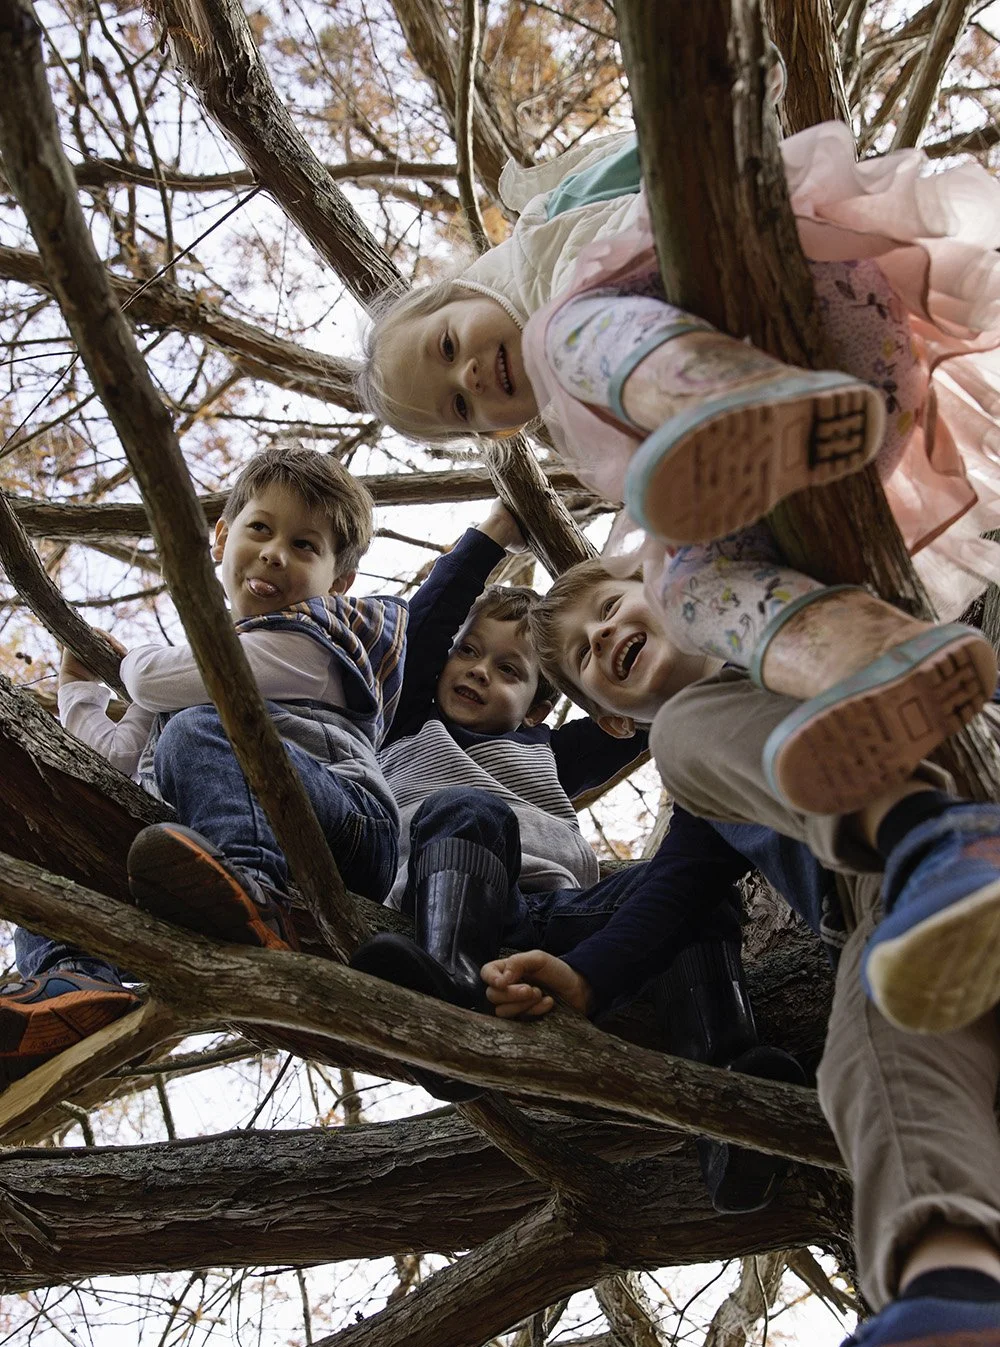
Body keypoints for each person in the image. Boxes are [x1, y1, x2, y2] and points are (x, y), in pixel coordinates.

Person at [504, 555, 1000, 1347]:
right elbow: (668, 900)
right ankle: (955, 1312)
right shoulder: (701, 790)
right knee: (864, 1058)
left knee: (691, 730)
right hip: (902, 920)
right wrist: (581, 976)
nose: (606, 637)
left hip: (971, 772)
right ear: (611, 720)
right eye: (585, 656)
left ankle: (937, 831)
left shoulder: (787, 629)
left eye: (614, 607)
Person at [353, 123, 1000, 816]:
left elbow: (684, 135)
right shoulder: (583, 423)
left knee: (562, 337)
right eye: (459, 405)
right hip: (856, 429)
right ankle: (872, 662)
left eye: (449, 344)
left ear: (463, 288)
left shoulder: (551, 245)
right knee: (687, 586)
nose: (472, 373)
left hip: (818, 301)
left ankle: (741, 406)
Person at [350, 500, 802, 1215]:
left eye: (507, 669)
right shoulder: (408, 721)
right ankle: (449, 997)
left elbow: (648, 699)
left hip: (568, 923)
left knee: (682, 889)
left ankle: (728, 1081)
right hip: (461, 905)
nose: (476, 671)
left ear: (537, 706)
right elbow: (425, 625)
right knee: (469, 808)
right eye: (466, 653)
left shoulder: (551, 754)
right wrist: (496, 533)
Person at [0, 447, 406, 1089]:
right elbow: (103, 768)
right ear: (222, 537)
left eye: (305, 545)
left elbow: (160, 683)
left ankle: (251, 894)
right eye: (261, 529)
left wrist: (134, 666)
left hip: (347, 831)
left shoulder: (318, 640)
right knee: (65, 845)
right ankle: (70, 982)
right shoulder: (184, 681)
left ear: (339, 580)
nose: (276, 552)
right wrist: (80, 691)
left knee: (203, 728)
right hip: (207, 857)